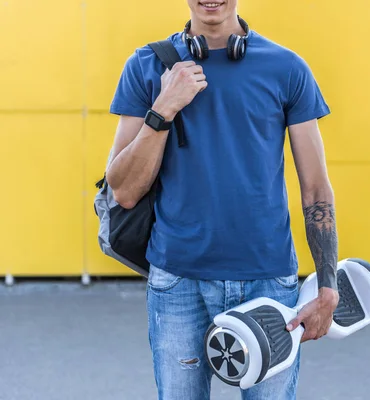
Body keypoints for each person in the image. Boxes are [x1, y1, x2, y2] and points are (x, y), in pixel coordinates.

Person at [105, 0, 339, 399]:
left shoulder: (287, 69)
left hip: (268, 279)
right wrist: (164, 108)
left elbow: (315, 188)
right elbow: (124, 191)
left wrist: (328, 286)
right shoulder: (146, 66)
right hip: (178, 281)